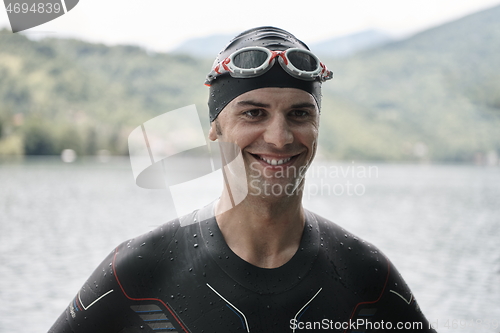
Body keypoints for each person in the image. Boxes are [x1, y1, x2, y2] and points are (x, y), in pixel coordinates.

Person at [49, 27, 436, 333]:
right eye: (253, 114)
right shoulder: (138, 270)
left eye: (300, 114)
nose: (279, 137)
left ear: (318, 127)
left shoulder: (365, 274)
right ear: (215, 130)